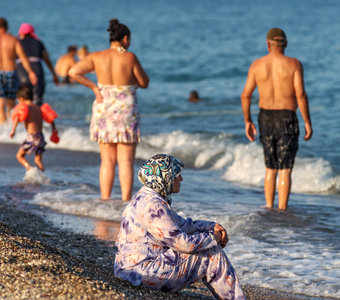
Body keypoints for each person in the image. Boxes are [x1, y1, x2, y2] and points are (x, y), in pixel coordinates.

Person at [114, 154, 246, 300]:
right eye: (177, 175)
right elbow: (184, 244)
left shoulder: (146, 197)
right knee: (211, 251)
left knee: (208, 245)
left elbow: (183, 225)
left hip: (130, 269)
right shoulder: (153, 205)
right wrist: (213, 238)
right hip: (141, 273)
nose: (181, 179)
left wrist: (212, 226)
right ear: (166, 178)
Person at [69, 19, 149, 201]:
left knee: (107, 160)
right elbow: (144, 83)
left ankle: (105, 201)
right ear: (125, 38)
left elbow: (73, 72)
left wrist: (94, 88)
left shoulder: (97, 56)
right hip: (126, 109)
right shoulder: (129, 57)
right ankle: (125, 202)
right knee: (126, 160)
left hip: (103, 106)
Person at [240, 28, 313, 210]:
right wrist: (307, 121)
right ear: (285, 44)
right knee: (285, 169)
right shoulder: (294, 64)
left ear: (268, 44)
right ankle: (282, 210)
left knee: (270, 168)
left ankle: (268, 207)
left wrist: (248, 120)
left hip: (265, 117)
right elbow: (301, 95)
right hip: (287, 117)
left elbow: (245, 95)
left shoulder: (257, 65)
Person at [0, 17, 38, 124]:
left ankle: (2, 127)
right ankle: (10, 128)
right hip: (10, 72)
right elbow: (23, 57)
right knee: (11, 103)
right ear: (6, 27)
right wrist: (31, 72)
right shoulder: (13, 39)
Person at [9, 85, 58, 172]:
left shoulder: (25, 107)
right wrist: (54, 130)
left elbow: (16, 118)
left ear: (21, 98)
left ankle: (30, 169)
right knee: (38, 160)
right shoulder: (38, 108)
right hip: (41, 137)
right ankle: (43, 176)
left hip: (32, 137)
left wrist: (13, 130)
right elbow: (51, 119)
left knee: (19, 156)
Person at [17, 23, 59, 106]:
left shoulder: (17, 43)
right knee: (37, 102)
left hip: (22, 72)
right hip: (37, 72)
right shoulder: (38, 42)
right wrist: (54, 74)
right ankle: (36, 117)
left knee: (23, 102)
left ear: (21, 33)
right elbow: (47, 59)